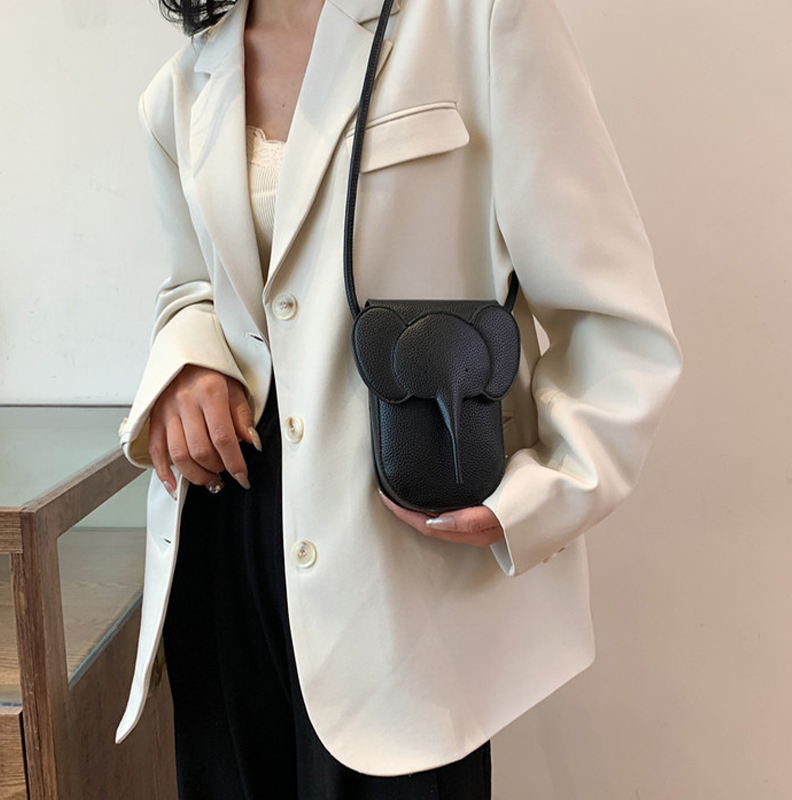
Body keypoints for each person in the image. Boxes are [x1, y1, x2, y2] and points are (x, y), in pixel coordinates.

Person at [114, 0, 684, 797]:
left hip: (398, 563)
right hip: (226, 541)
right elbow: (192, 288)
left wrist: (542, 494)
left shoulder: (479, 19)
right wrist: (186, 365)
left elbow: (610, 314)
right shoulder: (182, 85)